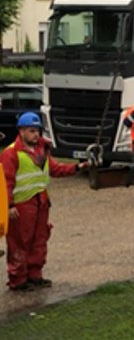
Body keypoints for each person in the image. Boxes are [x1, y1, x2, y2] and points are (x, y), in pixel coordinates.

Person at [3, 112, 89, 291]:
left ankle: (35, 276)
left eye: (38, 131)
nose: (36, 135)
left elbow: (55, 169)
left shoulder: (42, 150)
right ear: (21, 131)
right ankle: (18, 280)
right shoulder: (11, 153)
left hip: (41, 202)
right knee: (20, 242)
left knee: (39, 239)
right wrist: (9, 206)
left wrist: (77, 167)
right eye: (32, 131)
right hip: (21, 205)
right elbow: (6, 182)